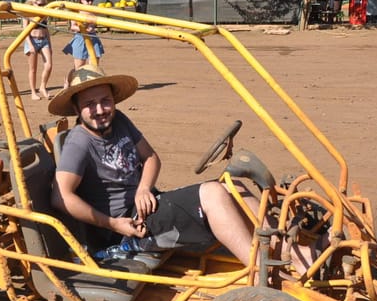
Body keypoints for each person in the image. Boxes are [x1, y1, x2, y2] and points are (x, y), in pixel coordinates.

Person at [49, 65, 256, 270]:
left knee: (236, 187)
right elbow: (61, 197)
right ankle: (258, 274)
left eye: (105, 101)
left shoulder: (118, 120)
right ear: (76, 109)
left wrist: (143, 188)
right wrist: (112, 223)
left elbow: (150, 157)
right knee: (214, 194)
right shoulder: (79, 142)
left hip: (148, 206)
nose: (100, 110)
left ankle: (282, 253)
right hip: (128, 228)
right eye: (90, 104)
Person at [22, 0, 53, 100]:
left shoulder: (44, 14)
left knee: (49, 65)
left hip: (44, 40)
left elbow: (46, 29)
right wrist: (30, 45)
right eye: (39, 4)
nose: (42, 6)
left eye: (43, 4)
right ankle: (33, 92)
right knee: (33, 69)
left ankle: (43, 87)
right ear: (33, 3)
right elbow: (25, 31)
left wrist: (49, 43)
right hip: (32, 40)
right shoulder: (27, 14)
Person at [63, 0, 104, 70]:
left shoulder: (93, 11)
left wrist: (92, 27)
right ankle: (68, 82)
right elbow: (73, 26)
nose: (90, 2)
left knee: (94, 65)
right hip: (80, 38)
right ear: (82, 0)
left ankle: (91, 81)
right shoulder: (77, 11)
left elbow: (94, 24)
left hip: (93, 37)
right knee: (79, 67)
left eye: (92, 0)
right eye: (88, 0)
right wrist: (83, 30)